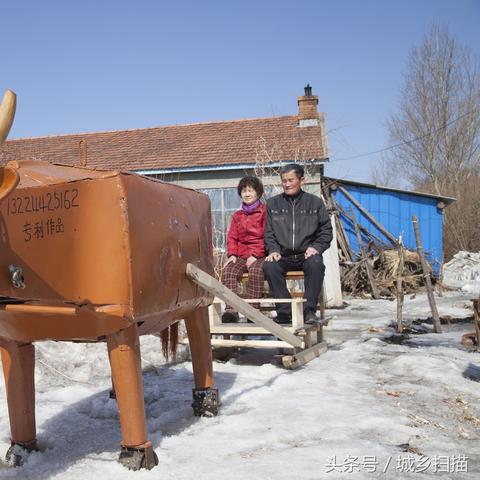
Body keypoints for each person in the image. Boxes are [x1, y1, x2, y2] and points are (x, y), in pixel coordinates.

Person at [263, 164, 332, 324]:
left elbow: (326, 231)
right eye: (284, 181)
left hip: (306, 255)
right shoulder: (273, 204)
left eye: (290, 180)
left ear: (302, 180)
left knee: (316, 264)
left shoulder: (315, 203)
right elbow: (268, 233)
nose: (286, 184)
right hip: (283, 255)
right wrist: (273, 249)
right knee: (269, 266)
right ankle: (285, 311)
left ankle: (308, 311)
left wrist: (316, 247)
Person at [221, 176, 266, 323]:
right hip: (240, 255)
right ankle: (231, 310)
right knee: (228, 271)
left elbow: (268, 236)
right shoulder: (237, 216)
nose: (247, 194)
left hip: (261, 255)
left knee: (256, 271)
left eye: (250, 191)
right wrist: (232, 254)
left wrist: (256, 254)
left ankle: (252, 311)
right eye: (244, 191)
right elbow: (232, 237)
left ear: (258, 193)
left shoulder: (265, 212)